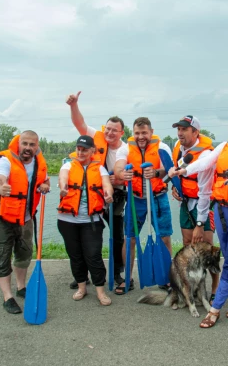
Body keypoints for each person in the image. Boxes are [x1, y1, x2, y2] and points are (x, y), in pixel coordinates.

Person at [172, 112, 228, 328]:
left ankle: (214, 310)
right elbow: (204, 163)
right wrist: (184, 170)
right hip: (223, 210)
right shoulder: (224, 146)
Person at [66, 92, 127, 291]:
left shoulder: (125, 149)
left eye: (114, 130)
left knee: (117, 236)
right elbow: (79, 122)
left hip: (116, 195)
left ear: (121, 133)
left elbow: (130, 176)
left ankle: (117, 272)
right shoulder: (96, 137)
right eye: (107, 129)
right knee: (88, 235)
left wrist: (115, 179)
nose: (109, 133)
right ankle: (82, 275)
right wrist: (74, 105)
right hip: (93, 195)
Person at [0, 131, 50, 314]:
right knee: (2, 255)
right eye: (25, 144)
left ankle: (21, 287)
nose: (28, 148)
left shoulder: (38, 162)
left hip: (26, 217)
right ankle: (8, 297)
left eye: (32, 145)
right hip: (1, 217)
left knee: (24, 253)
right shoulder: (5, 160)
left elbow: (43, 180)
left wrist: (44, 186)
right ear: (18, 144)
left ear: (37, 146)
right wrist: (0, 188)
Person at [114, 117, 173, 292]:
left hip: (158, 198)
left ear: (151, 132)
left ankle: (166, 277)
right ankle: (128, 278)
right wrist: (122, 174)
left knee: (164, 237)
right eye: (137, 133)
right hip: (135, 199)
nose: (141, 137)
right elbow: (118, 167)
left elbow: (168, 170)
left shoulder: (162, 147)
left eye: (144, 133)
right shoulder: (125, 149)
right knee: (130, 238)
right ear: (133, 133)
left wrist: (156, 172)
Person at [58, 135, 114, 306]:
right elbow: (63, 178)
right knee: (75, 255)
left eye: (84, 149)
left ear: (92, 151)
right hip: (68, 220)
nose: (80, 152)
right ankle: (82, 287)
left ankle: (100, 291)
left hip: (92, 220)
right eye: (78, 149)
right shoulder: (68, 165)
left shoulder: (100, 169)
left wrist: (108, 194)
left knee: (93, 255)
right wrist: (63, 188)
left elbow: (106, 184)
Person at [168, 115, 219, 302]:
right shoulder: (177, 147)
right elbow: (177, 173)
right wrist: (176, 187)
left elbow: (205, 189)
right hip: (186, 202)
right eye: (178, 129)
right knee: (188, 243)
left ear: (195, 132)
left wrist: (200, 222)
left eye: (184, 129)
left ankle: (215, 290)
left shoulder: (205, 154)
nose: (180, 133)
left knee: (207, 248)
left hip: (203, 203)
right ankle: (193, 287)